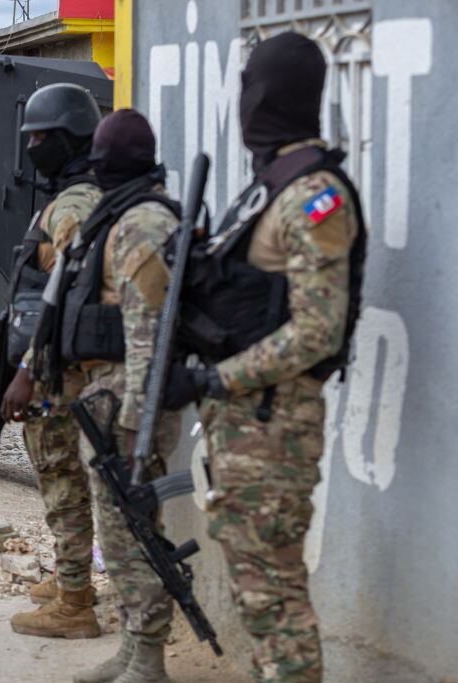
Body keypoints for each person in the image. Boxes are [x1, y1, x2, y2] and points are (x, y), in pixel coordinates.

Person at [162, 32, 366, 683]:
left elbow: (316, 332)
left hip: (275, 424)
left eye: (252, 87)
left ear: (274, 95)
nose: (245, 104)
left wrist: (214, 377)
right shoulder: (268, 188)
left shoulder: (315, 195)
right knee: (259, 591)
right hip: (246, 424)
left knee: (275, 597)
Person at [32, 109, 182, 683]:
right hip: (115, 396)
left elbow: (148, 331)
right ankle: (134, 648)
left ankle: (149, 659)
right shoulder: (127, 212)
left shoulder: (142, 222)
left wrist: (136, 428)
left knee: (134, 532)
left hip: (131, 402)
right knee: (121, 534)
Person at [0, 82, 104, 640]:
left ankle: (74, 604)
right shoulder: (71, 195)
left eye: (40, 137)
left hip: (55, 371)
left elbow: (64, 298)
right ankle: (73, 579)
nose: (32, 146)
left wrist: (27, 373)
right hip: (55, 365)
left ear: (67, 139)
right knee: (61, 479)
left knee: (61, 478)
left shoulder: (77, 205)